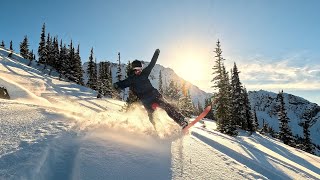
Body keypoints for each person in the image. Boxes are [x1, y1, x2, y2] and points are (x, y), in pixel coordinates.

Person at [113, 49, 188, 130]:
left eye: (140, 69)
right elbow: (122, 84)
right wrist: (117, 85)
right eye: (137, 69)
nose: (139, 71)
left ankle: (181, 121)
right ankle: (158, 130)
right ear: (133, 70)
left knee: (167, 106)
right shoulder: (131, 79)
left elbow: (152, 64)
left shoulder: (144, 73)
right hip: (146, 101)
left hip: (155, 95)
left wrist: (156, 54)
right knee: (152, 116)